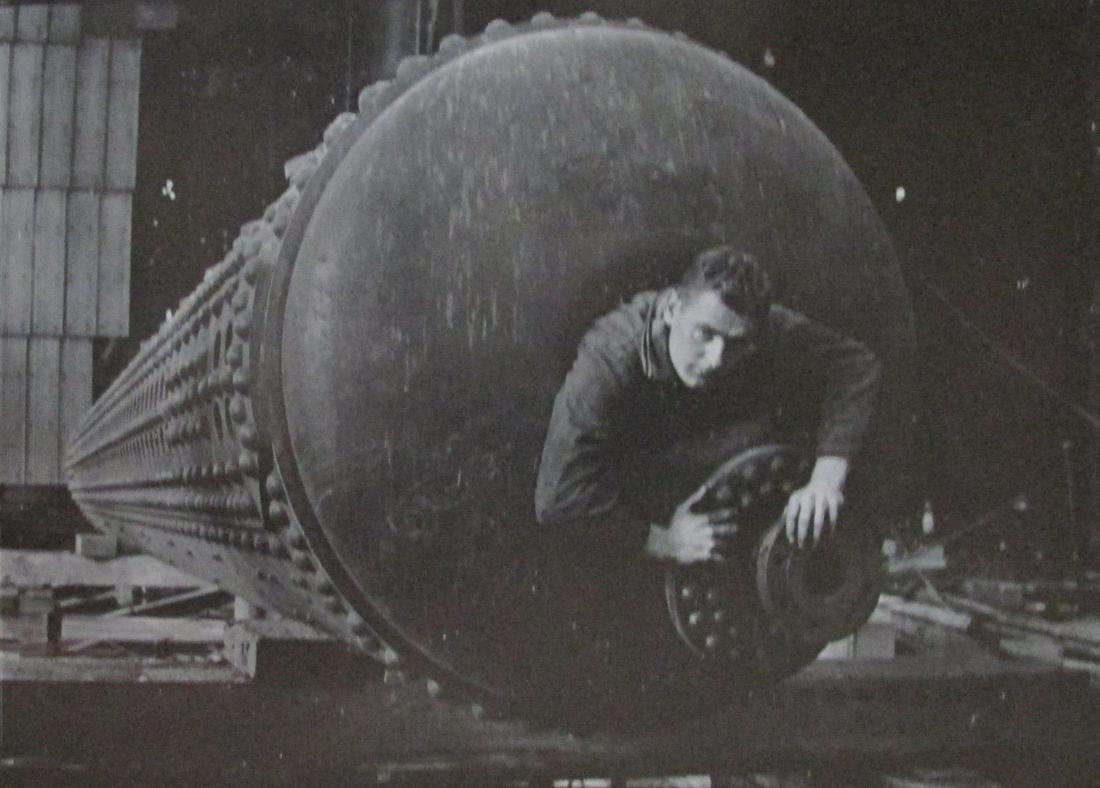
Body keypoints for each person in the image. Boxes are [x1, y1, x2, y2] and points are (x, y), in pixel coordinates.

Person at [534, 245, 882, 566]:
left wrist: (826, 480)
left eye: (736, 344)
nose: (716, 358)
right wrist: (663, 542)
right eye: (704, 334)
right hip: (635, 507)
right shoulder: (610, 360)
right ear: (671, 309)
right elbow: (560, 497)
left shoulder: (753, 325)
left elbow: (855, 364)